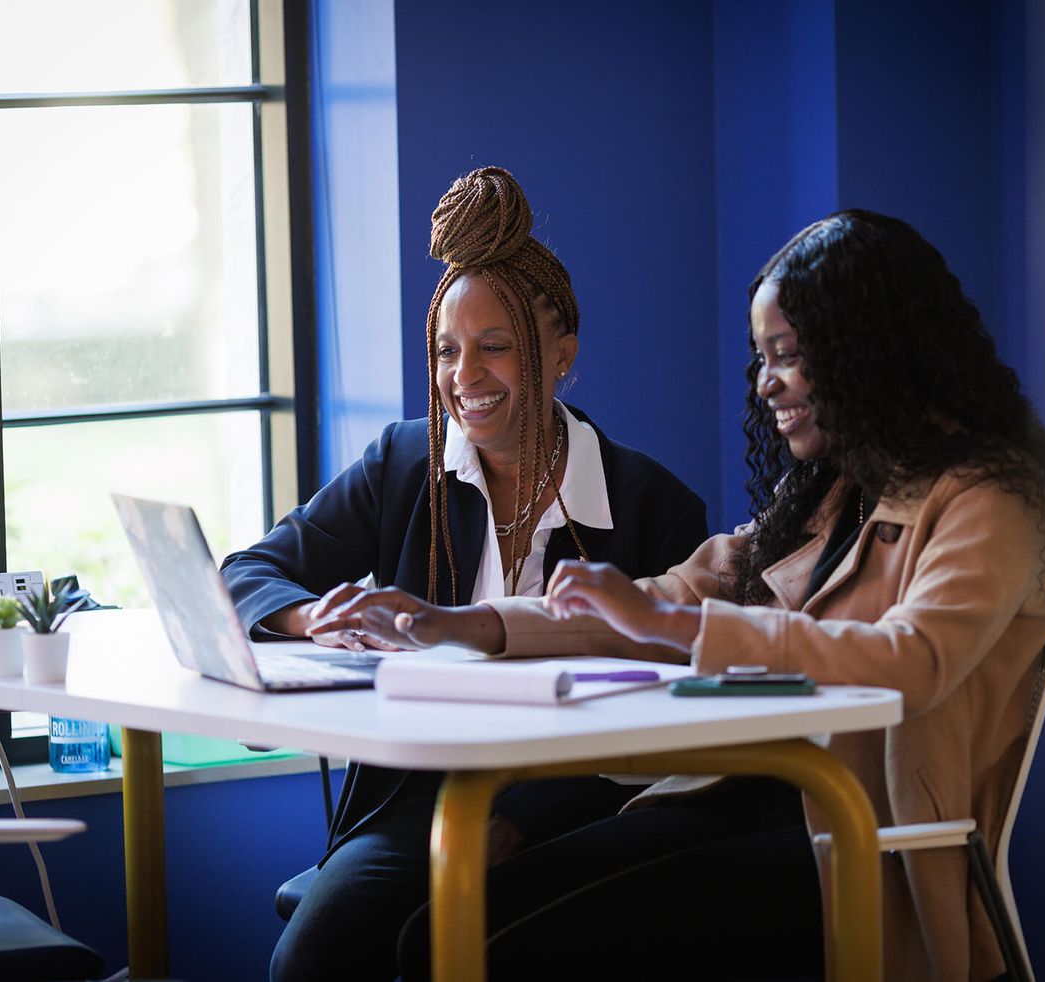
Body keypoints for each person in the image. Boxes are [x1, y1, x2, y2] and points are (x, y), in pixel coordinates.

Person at [319, 209, 1045, 981]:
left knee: (501, 953)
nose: (768, 384)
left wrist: (668, 622)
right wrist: (460, 624)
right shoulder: (833, 494)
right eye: (762, 358)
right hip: (740, 801)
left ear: (870, 347)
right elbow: (672, 595)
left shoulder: (990, 499)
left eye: (788, 355)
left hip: (857, 838)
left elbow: (914, 658)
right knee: (436, 932)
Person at [219, 166, 708, 981]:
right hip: (422, 799)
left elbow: (670, 723)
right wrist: (314, 618)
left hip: (580, 808)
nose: (464, 377)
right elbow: (249, 571)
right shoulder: (405, 465)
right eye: (447, 350)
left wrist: (520, 819)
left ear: (563, 357)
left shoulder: (652, 507)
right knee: (315, 954)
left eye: (495, 348)